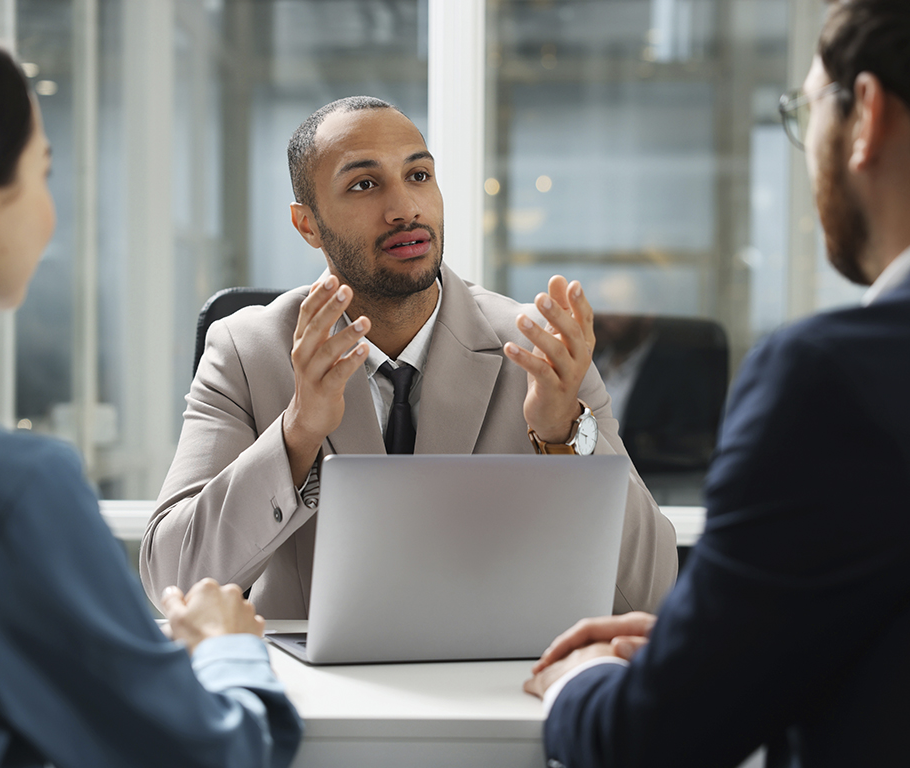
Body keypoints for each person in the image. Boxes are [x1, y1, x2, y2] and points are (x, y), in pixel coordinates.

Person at [523, 1, 910, 766]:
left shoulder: (831, 378)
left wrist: (579, 679)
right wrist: (721, 644)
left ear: (866, 115)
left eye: (807, 113)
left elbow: (652, 740)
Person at [0, 27, 301, 768]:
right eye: (43, 172)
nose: (51, 209)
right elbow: (209, 757)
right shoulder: (7, 490)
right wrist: (229, 651)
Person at [140, 96, 678, 618]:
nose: (405, 209)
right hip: (312, 677)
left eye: (418, 175)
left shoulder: (539, 348)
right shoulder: (246, 350)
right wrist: (297, 433)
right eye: (364, 184)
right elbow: (172, 582)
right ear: (308, 225)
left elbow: (652, 593)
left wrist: (564, 435)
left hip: (496, 674)